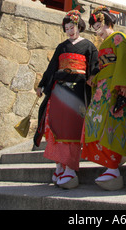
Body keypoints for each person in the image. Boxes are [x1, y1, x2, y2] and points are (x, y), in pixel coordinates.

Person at [34, 10, 99, 189]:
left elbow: (94, 66)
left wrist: (93, 77)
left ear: (79, 27)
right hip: (59, 90)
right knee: (55, 126)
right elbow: (51, 67)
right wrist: (42, 84)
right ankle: (59, 165)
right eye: (67, 28)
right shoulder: (61, 47)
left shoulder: (88, 46)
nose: (70, 31)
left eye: (73, 27)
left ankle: (70, 169)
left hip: (77, 91)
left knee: (71, 128)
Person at [81, 6, 126, 191]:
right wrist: (95, 79)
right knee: (94, 121)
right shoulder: (104, 43)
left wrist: (123, 85)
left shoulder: (118, 38)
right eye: (94, 27)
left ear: (107, 22)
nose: (97, 29)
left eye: (98, 25)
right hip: (102, 88)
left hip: (113, 87)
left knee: (110, 123)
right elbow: (104, 66)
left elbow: (124, 60)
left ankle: (113, 166)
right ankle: (110, 164)